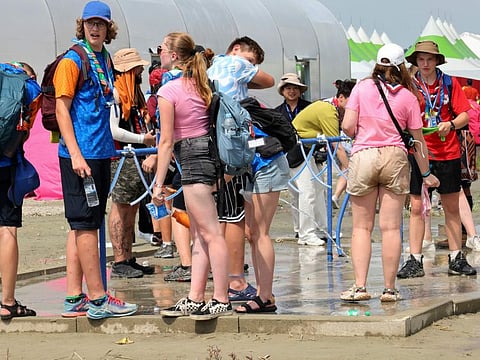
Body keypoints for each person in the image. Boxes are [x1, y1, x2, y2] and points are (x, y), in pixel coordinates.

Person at [55, 0, 137, 319]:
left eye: (100, 23)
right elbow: (62, 108)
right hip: (81, 154)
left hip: (101, 150)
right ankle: (99, 299)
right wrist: (75, 153)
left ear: (108, 28)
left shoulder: (103, 57)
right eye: (89, 23)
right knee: (87, 225)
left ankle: (75, 297)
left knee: (83, 225)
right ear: (82, 25)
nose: (94, 28)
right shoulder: (72, 60)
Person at [341, 43, 439, 302]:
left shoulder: (362, 87)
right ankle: (389, 289)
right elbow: (418, 141)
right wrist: (426, 173)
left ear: (377, 64)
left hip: (364, 155)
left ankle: (360, 287)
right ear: (402, 67)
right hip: (395, 157)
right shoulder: (409, 96)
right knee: (391, 228)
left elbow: (348, 127)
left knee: (362, 227)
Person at [152, 31, 232, 320]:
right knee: (201, 233)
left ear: (173, 56)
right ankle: (196, 296)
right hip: (208, 159)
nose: (158, 53)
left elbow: (165, 141)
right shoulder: (202, 85)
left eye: (161, 49)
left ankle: (220, 297)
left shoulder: (169, 91)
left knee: (209, 233)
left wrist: (158, 184)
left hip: (192, 160)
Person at [397, 40, 477, 278]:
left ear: (437, 61)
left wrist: (450, 124)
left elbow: (465, 115)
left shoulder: (449, 83)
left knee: (451, 206)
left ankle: (456, 257)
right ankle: (415, 259)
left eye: (429, 59)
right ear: (415, 62)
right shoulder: (409, 85)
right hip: (418, 152)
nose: (425, 64)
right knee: (418, 207)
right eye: (421, 59)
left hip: (447, 152)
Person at [207, 37, 275, 303]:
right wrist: (249, 72)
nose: (251, 66)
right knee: (236, 217)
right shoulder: (236, 63)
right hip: (233, 143)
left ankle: (221, 278)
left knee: (219, 216)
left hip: (211, 141)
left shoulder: (211, 66)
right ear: (236, 49)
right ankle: (236, 279)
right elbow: (269, 81)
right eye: (251, 59)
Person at [108, 48, 156, 278]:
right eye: (138, 68)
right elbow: (114, 130)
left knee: (133, 208)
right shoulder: (116, 94)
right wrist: (142, 139)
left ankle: (127, 257)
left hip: (136, 157)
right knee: (120, 207)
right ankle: (119, 260)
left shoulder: (135, 95)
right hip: (120, 158)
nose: (142, 71)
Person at [288, 82, 354, 246]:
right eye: (352, 101)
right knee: (307, 191)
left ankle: (321, 228)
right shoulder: (328, 110)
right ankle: (305, 234)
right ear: (340, 98)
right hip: (297, 150)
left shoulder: (333, 108)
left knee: (318, 190)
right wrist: (350, 170)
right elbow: (336, 146)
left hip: (310, 151)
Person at [0, 62, 40, 320]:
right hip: (6, 166)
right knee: (7, 228)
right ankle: (7, 301)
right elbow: (26, 130)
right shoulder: (28, 87)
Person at [274, 73, 311, 239]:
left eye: (295, 88)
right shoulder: (276, 112)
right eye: (288, 88)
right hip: (286, 158)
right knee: (295, 195)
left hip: (306, 156)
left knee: (310, 194)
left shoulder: (309, 108)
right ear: (282, 91)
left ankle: (309, 229)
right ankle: (298, 228)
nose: (291, 91)